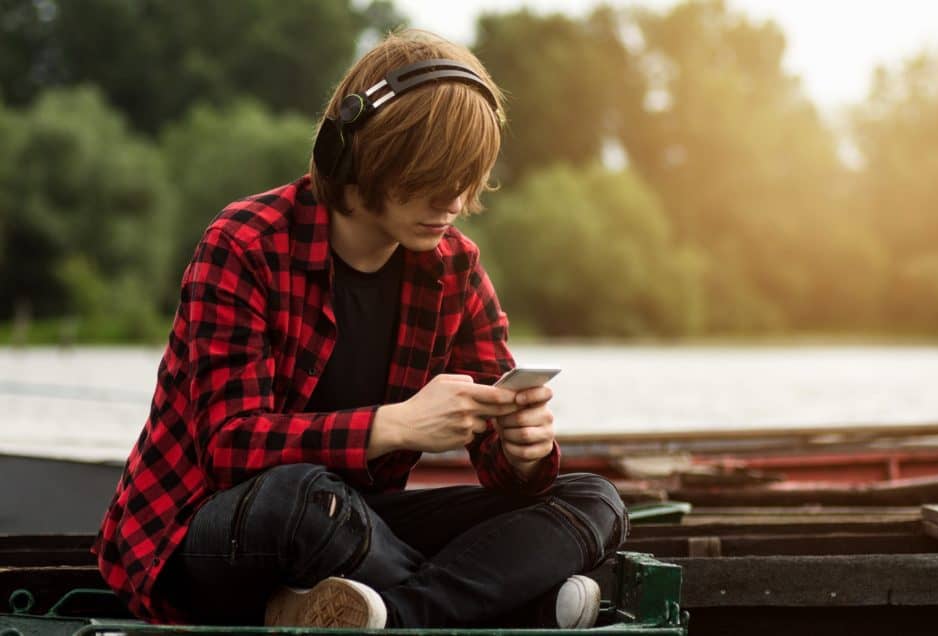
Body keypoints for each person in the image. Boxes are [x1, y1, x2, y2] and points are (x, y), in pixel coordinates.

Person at [93, 29, 629, 629]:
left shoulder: (456, 269)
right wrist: (396, 424)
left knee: (593, 499)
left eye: (467, 175)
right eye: (433, 173)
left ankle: (395, 616)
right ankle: (508, 603)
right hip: (210, 533)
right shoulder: (243, 243)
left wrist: (523, 450)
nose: (453, 198)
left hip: (363, 532)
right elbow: (228, 448)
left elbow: (504, 477)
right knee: (301, 498)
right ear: (355, 154)